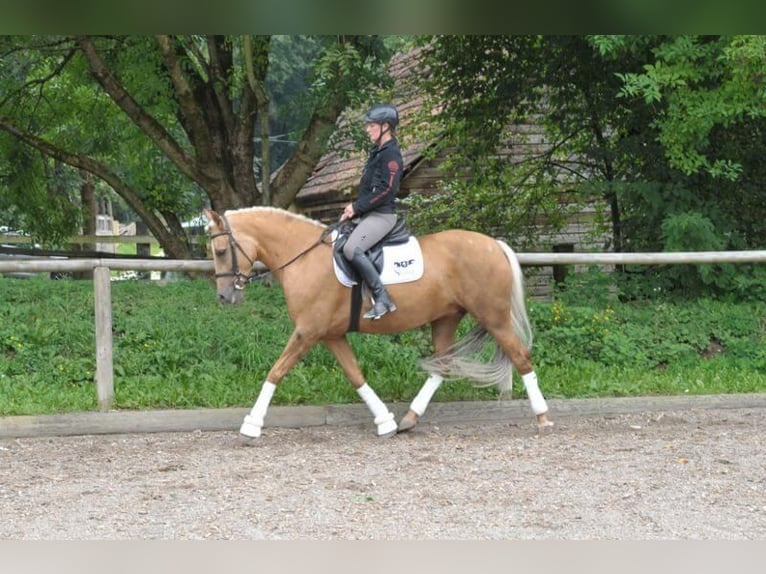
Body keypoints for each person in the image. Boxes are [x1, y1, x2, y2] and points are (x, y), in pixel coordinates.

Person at [340, 103, 404, 320]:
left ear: (385, 126)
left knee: (351, 249)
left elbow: (387, 190)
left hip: (383, 216)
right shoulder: (377, 153)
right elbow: (369, 189)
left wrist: (357, 207)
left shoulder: (391, 155)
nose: (367, 130)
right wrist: (353, 211)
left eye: (371, 125)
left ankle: (382, 298)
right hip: (368, 214)